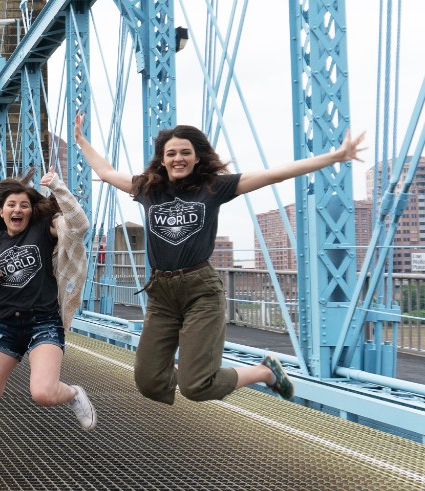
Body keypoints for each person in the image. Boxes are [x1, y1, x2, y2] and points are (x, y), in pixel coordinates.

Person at [74, 112, 365, 404]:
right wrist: (82, 141)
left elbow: (273, 174)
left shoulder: (213, 187)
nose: (178, 158)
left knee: (196, 387)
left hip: (200, 291)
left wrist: (334, 157)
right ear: (162, 159)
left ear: (197, 157)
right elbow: (108, 173)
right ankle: (192, 371)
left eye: (185, 152)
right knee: (149, 382)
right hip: (161, 294)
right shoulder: (149, 188)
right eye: (171, 153)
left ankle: (264, 372)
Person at [0, 171, 96, 431]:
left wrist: (57, 186)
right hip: (4, 324)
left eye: (24, 205)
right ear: (1, 211)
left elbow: (80, 225)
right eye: (11, 205)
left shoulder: (43, 228)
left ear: (31, 211)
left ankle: (73, 393)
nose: (18, 209)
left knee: (43, 393)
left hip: (43, 321)